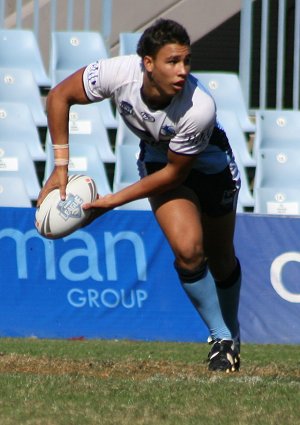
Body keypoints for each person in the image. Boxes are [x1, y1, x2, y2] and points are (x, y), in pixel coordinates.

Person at [38, 18, 242, 372]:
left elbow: (177, 172)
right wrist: (60, 167)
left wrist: (112, 201)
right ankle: (221, 338)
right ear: (148, 63)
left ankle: (232, 330)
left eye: (186, 61)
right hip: (159, 164)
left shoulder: (198, 107)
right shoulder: (119, 73)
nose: (182, 70)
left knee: (221, 257)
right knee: (189, 251)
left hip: (211, 170)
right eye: (172, 61)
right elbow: (59, 95)